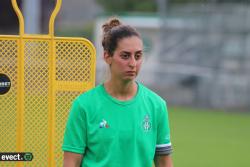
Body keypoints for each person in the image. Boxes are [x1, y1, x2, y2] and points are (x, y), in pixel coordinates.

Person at [62, 17, 173, 167]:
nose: (133, 63)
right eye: (125, 56)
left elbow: (164, 162)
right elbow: (71, 162)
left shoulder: (157, 106)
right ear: (107, 56)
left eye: (138, 56)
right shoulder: (84, 106)